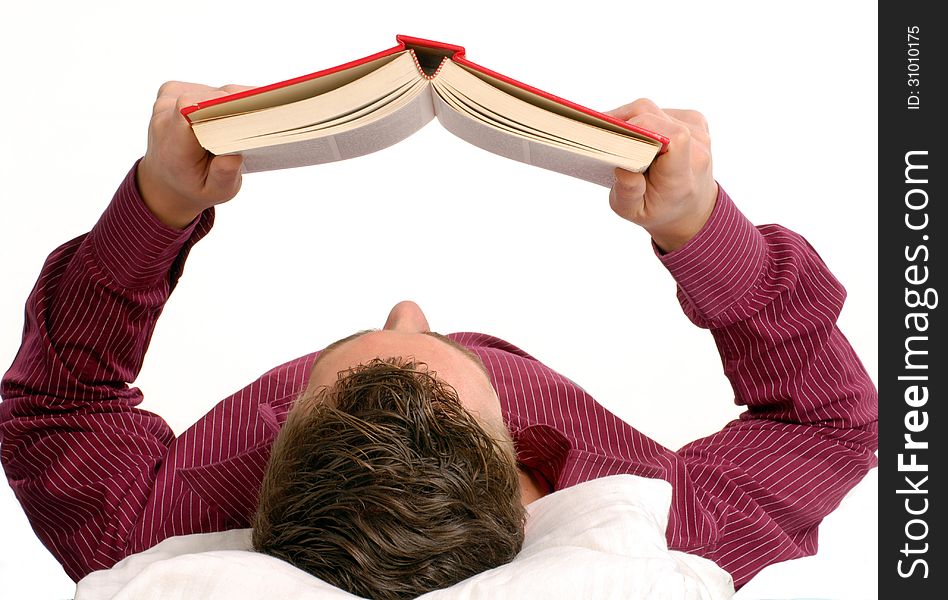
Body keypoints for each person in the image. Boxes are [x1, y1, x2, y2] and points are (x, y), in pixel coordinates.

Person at [0, 81, 877, 600]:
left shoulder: (143, 527)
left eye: (375, 336)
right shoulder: (666, 519)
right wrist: (698, 228)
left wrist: (159, 202)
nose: (411, 308)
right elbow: (833, 426)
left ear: (274, 452)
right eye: (443, 348)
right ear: (526, 484)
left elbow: (55, 401)